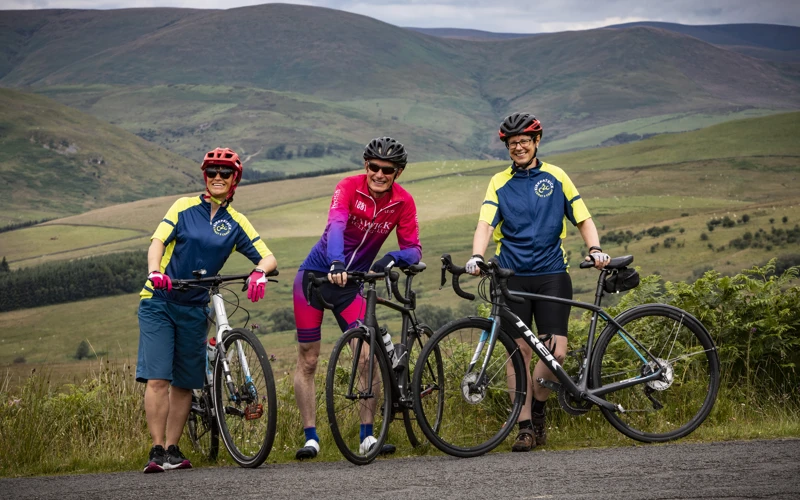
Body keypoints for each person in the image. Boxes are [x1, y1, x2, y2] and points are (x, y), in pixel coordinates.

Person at [466, 113, 609, 452]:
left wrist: (595, 248)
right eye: (512, 143)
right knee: (519, 352)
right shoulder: (499, 182)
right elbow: (485, 224)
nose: (518, 147)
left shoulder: (557, 176)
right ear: (507, 147)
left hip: (552, 274)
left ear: (536, 142)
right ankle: (525, 425)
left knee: (554, 351)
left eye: (524, 141)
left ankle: (539, 410)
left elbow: (583, 218)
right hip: (511, 276)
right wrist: (476, 255)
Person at [136, 147, 278, 473]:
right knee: (158, 377)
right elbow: (157, 242)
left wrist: (259, 272)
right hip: (160, 301)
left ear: (234, 180)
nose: (217, 178)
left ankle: (173, 449)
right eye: (212, 172)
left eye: (224, 173)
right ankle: (156, 450)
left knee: (185, 382)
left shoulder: (235, 222)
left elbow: (268, 257)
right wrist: (155, 271)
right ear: (205, 176)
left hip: (195, 306)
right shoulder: (183, 207)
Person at [292, 136, 422, 460]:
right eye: (374, 167)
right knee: (308, 359)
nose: (379, 174)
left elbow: (414, 248)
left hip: (352, 286)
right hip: (315, 278)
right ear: (366, 165)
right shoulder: (349, 187)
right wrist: (335, 261)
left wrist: (393, 257)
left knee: (367, 355)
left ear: (398, 172)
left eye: (387, 170)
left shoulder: (402, 202)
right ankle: (311, 437)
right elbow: (336, 222)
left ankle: (367, 436)